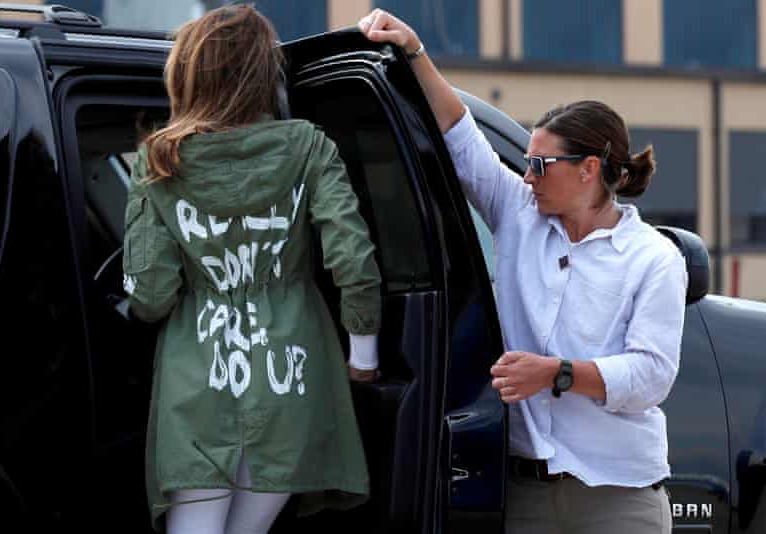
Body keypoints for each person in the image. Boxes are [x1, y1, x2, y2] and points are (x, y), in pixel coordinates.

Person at [359, 10, 687, 534]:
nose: (527, 176)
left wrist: (555, 372)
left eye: (539, 165)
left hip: (618, 499)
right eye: (526, 163)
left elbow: (651, 377)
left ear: (588, 170)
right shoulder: (518, 212)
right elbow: (460, 137)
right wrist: (415, 51)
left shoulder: (654, 257)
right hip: (525, 494)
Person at [123, 5, 382, 534]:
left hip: (197, 375)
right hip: (290, 366)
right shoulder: (309, 146)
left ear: (189, 72)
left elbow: (150, 295)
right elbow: (353, 260)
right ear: (265, 75)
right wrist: (363, 357)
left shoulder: (158, 162)